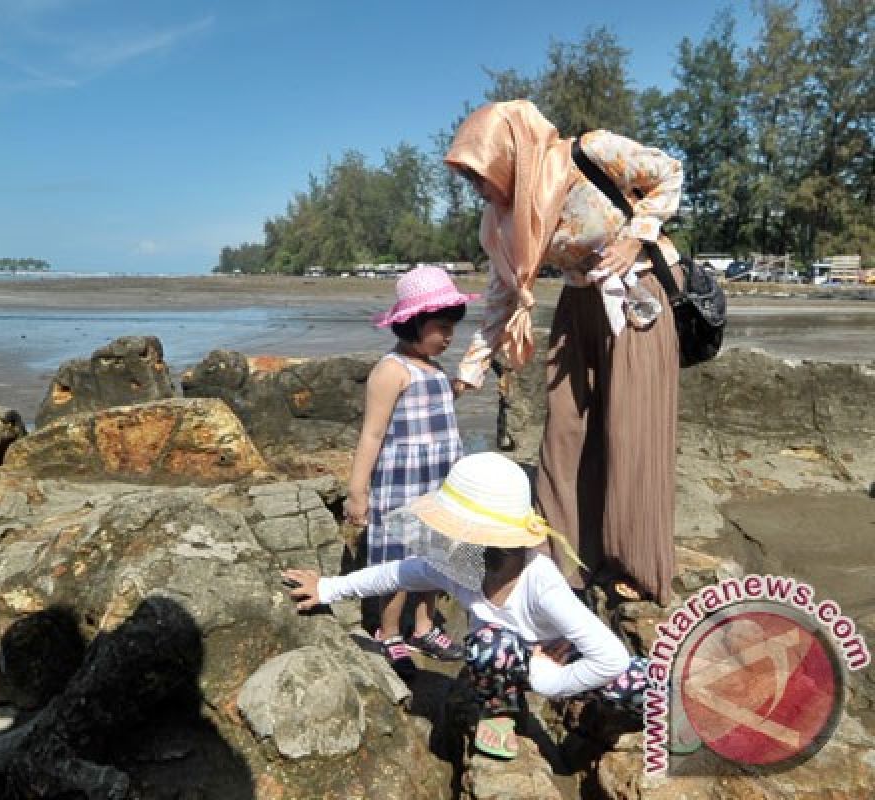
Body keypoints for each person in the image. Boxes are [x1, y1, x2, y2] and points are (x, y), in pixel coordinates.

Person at [445, 99, 684, 605]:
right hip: (580, 303)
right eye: (472, 181)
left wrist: (637, 238)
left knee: (629, 430)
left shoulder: (589, 153)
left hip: (636, 294)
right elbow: (502, 294)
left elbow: (669, 174)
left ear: (509, 154)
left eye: (480, 175)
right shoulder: (503, 220)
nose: (480, 190)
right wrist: (470, 371)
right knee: (564, 431)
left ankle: (637, 566)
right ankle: (567, 560)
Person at [285, 452, 646, 760]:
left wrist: (550, 681)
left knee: (639, 683)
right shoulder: (461, 565)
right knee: (491, 643)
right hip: (499, 668)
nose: (440, 537)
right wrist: (328, 588)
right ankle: (498, 714)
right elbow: (395, 575)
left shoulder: (541, 582)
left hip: (556, 661)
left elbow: (610, 656)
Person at [343, 265, 478, 677]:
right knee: (398, 560)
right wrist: (357, 491)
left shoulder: (433, 370)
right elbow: (372, 434)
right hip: (401, 484)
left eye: (452, 328)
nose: (448, 336)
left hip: (439, 480)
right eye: (441, 328)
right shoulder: (391, 370)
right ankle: (389, 632)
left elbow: (438, 405)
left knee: (439, 555)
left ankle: (423, 625)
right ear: (413, 323)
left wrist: (466, 379)